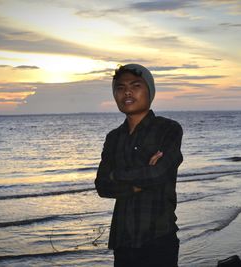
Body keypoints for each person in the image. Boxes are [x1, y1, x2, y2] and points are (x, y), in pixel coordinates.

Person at [95, 63, 183, 267]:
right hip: (123, 240)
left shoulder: (168, 129)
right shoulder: (114, 137)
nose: (127, 91)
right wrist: (142, 176)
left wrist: (116, 175)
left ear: (149, 92)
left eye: (135, 86)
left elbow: (159, 174)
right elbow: (101, 186)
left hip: (159, 237)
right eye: (120, 87)